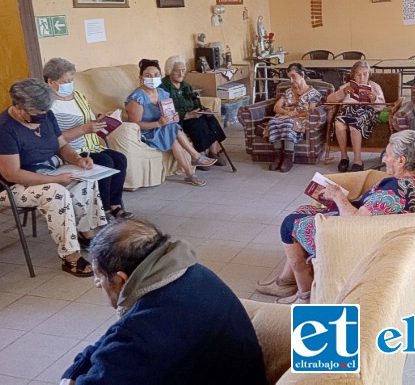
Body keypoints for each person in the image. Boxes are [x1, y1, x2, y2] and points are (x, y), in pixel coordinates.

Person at [60, 219, 266, 385]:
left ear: (121, 280)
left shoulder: (147, 327)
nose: (97, 284)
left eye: (99, 276)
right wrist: (76, 370)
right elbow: (112, 340)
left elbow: (120, 345)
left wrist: (68, 379)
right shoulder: (192, 273)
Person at [256, 130, 415, 304]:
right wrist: (341, 199)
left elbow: (355, 223)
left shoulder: (393, 192)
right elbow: (372, 211)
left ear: (401, 160)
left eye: (387, 155)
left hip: (352, 238)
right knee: (302, 211)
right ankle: (286, 281)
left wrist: (338, 196)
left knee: (289, 224)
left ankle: (304, 295)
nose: (383, 159)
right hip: (371, 224)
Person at [0, 79, 107, 277]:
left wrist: (77, 159)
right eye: (36, 114)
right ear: (19, 107)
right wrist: (56, 180)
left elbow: (61, 145)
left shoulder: (45, 114)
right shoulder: (5, 129)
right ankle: (70, 257)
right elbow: (11, 173)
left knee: (86, 179)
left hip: (49, 170)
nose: (42, 117)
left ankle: (86, 234)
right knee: (56, 193)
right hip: (13, 186)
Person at [44, 57, 133, 220]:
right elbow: (53, 139)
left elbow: (90, 120)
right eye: (66, 81)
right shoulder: (47, 105)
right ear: (50, 82)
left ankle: (114, 204)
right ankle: (103, 210)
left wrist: (103, 120)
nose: (70, 84)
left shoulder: (77, 96)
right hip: (68, 152)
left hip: (91, 146)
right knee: (105, 161)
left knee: (120, 159)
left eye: (72, 80)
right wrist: (84, 129)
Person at [125, 59, 216, 187]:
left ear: (160, 76)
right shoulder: (137, 98)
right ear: (141, 79)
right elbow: (134, 125)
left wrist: (174, 117)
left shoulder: (162, 93)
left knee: (172, 130)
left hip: (164, 127)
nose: (153, 78)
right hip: (147, 131)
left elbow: (169, 114)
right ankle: (195, 157)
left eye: (156, 75)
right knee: (171, 129)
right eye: (148, 76)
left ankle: (191, 174)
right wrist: (158, 124)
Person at [160, 55, 227, 167]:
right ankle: (200, 156)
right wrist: (187, 115)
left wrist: (204, 110)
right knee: (198, 124)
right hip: (178, 119)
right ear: (169, 71)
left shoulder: (186, 86)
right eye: (177, 71)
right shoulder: (163, 87)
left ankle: (213, 153)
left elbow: (196, 103)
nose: (181, 74)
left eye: (183, 71)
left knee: (210, 118)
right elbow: (166, 110)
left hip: (192, 115)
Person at [326, 60, 385, 172]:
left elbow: (382, 106)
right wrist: (343, 92)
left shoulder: (374, 86)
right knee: (338, 123)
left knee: (354, 125)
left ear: (369, 74)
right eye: (358, 75)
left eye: (365, 74)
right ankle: (344, 158)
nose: (362, 77)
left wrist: (374, 99)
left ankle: (358, 160)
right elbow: (329, 100)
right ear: (353, 75)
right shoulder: (347, 86)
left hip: (365, 111)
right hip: (347, 110)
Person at [267, 62, 322, 173]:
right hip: (284, 117)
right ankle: (278, 157)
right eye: (289, 78)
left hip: (300, 120)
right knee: (273, 122)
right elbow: (276, 107)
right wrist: (287, 112)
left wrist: (291, 115)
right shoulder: (288, 92)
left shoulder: (314, 94)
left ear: (302, 74)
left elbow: (310, 111)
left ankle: (288, 159)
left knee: (288, 124)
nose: (291, 81)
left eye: (294, 77)